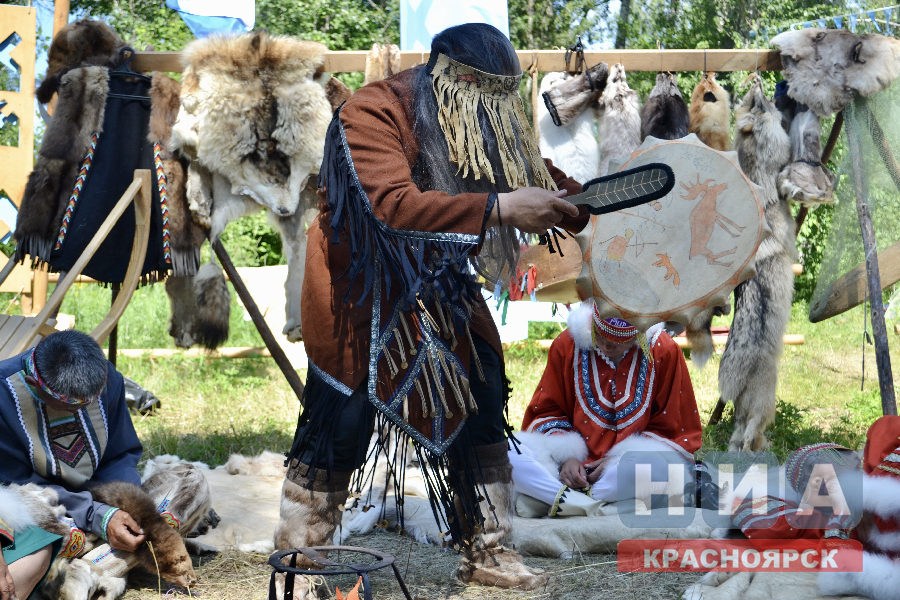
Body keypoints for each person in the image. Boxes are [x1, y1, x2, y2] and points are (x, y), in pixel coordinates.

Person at [272, 22, 595, 594]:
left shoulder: (482, 109)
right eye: (482, 101)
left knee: (483, 387)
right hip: (356, 284)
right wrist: (500, 208)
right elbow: (392, 205)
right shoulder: (371, 112)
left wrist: (572, 199)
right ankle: (305, 547)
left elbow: (523, 170)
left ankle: (489, 548)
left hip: (437, 277)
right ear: (445, 81)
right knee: (341, 412)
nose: (492, 114)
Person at [511, 300, 703, 517]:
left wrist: (619, 459)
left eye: (618, 341)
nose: (607, 347)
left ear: (639, 333)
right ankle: (605, 507)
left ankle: (558, 500)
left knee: (662, 470)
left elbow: (673, 427)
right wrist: (567, 459)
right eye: (600, 337)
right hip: (562, 469)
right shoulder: (567, 344)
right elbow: (547, 410)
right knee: (508, 450)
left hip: (620, 473)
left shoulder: (663, 350)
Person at [0, 331, 146, 572]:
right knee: (40, 538)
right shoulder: (4, 394)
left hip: (102, 497)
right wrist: (95, 515)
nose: (84, 407)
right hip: (40, 504)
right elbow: (18, 485)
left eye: (91, 400)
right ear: (34, 386)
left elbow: (120, 454)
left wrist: (125, 505)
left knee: (182, 490)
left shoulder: (108, 378)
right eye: (72, 404)